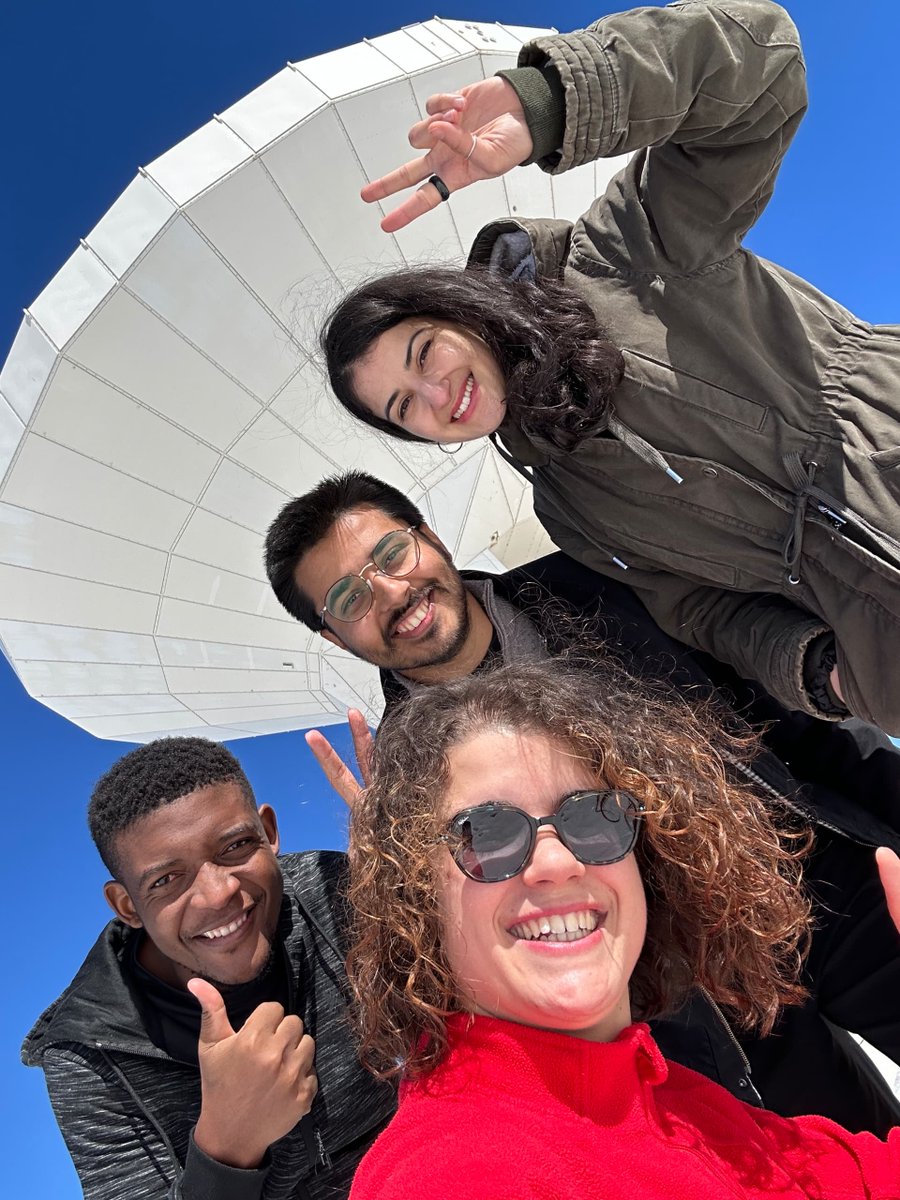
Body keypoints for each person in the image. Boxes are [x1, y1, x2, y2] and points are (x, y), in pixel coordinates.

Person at [319, 0, 900, 734]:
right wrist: (819, 670)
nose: (437, 393)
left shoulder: (623, 254)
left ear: (458, 308)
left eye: (424, 352)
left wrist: (551, 103)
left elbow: (762, 72)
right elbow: (698, 608)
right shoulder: (570, 509)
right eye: (405, 408)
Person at [265, 469, 900, 1133]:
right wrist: (403, 859)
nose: (392, 591)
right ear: (333, 637)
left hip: (824, 889)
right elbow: (466, 944)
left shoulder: (604, 584)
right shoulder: (404, 780)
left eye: (393, 553)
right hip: (694, 1009)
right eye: (348, 596)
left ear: (428, 537)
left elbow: (790, 721)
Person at [345, 661, 900, 1199]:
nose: (557, 863)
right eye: (487, 835)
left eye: (592, 817)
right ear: (417, 895)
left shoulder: (670, 1100)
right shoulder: (457, 1176)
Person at [21, 737, 395, 1200]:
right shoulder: (93, 1054)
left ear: (269, 832)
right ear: (127, 906)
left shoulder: (344, 892)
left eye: (235, 846)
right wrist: (228, 1146)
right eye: (165, 880)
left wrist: (425, 880)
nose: (217, 894)